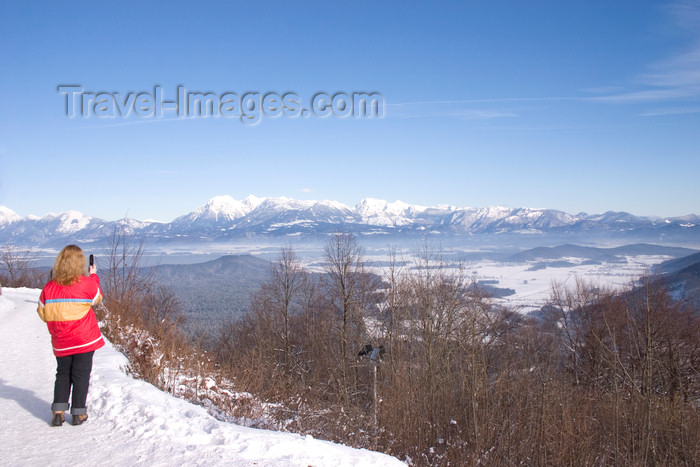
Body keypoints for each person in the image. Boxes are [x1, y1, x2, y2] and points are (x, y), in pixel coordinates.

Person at [37, 245, 105, 426]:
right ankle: (78, 413)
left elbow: (43, 314)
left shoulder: (49, 288)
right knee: (81, 375)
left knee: (63, 373)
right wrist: (93, 276)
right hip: (83, 339)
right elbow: (97, 298)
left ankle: (58, 412)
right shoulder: (86, 283)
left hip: (61, 341)